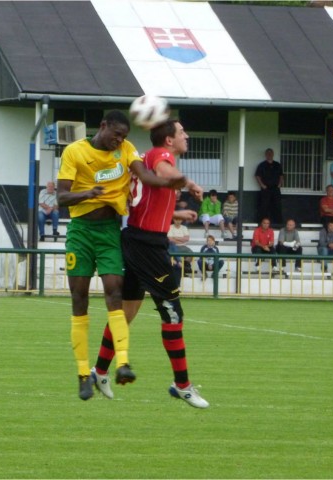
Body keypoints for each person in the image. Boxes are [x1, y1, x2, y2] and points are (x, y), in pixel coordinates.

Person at [56, 110, 186, 400]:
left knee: (115, 294)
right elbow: (61, 197)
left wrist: (172, 183)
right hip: (80, 232)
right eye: (116, 134)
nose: (120, 140)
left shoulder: (126, 150)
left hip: (110, 232)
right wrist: (88, 193)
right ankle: (84, 373)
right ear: (103, 126)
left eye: (124, 136)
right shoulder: (75, 152)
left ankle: (122, 364)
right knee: (80, 300)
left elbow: (145, 176)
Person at [89, 118, 207, 408]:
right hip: (147, 247)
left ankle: (100, 370)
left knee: (126, 313)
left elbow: (147, 201)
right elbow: (165, 171)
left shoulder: (146, 157)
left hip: (136, 239)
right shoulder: (160, 156)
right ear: (169, 140)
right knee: (173, 314)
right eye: (182, 132)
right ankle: (182, 385)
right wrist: (187, 181)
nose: (186, 135)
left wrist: (176, 216)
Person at [255, 148, 283, 225]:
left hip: (275, 188)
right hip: (266, 189)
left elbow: (281, 175)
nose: (269, 155)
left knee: (277, 205)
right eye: (268, 153)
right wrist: (262, 185)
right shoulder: (262, 165)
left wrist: (280, 184)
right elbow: (257, 176)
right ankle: (262, 223)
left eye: (271, 153)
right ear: (266, 155)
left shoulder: (277, 165)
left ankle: (278, 223)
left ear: (273, 154)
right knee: (264, 206)